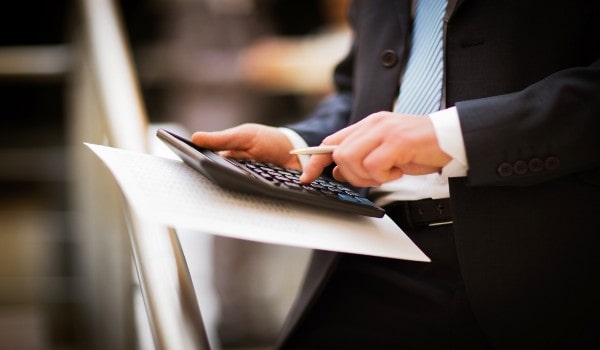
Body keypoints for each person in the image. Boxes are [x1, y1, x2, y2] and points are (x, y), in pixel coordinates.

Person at [192, 0, 600, 348]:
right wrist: (296, 143)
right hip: (370, 254)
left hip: (548, 267)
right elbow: (359, 91)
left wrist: (450, 135)